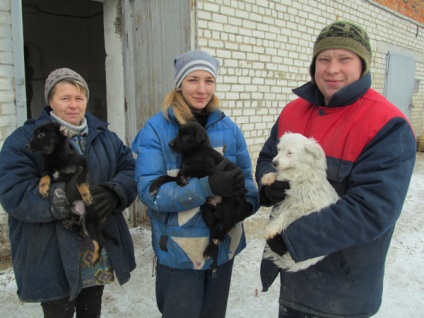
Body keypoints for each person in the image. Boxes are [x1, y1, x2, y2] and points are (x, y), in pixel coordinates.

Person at [256, 21, 416, 318]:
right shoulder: (293, 111)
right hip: (295, 281)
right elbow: (267, 157)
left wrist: (293, 239)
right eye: (324, 59)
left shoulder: (386, 124)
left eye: (345, 59)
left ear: (362, 65)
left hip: (343, 288)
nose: (332, 69)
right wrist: (268, 184)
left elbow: (373, 208)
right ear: (313, 63)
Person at [131, 50, 259, 318]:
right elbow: (149, 192)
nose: (202, 89)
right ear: (179, 84)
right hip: (179, 252)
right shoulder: (156, 129)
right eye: (192, 80)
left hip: (223, 248)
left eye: (209, 81)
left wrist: (245, 206)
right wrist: (205, 188)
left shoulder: (229, 128)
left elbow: (247, 179)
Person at [0, 68, 137, 318]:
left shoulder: (105, 137)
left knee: (91, 308)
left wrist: (114, 192)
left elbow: (129, 169)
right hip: (52, 252)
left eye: (79, 97)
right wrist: (61, 197)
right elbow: (14, 192)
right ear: (50, 101)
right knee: (58, 312)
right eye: (65, 98)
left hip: (94, 248)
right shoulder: (23, 141)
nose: (73, 105)